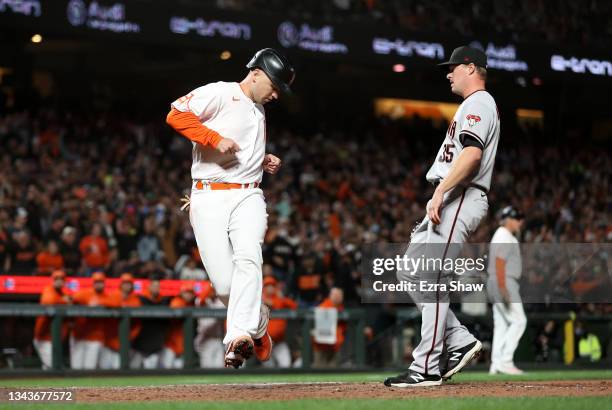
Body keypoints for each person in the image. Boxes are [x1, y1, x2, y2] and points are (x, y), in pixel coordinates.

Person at [166, 48, 295, 368]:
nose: (276, 94)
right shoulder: (221, 92)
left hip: (249, 195)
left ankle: (238, 336)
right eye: (275, 85)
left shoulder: (259, 109)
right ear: (257, 73)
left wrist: (263, 160)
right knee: (224, 284)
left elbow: (239, 150)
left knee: (249, 256)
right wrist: (211, 137)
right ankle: (259, 322)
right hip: (208, 196)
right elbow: (175, 114)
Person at [386, 45, 500, 387]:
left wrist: (440, 191)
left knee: (431, 278)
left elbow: (472, 155)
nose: (448, 73)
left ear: (470, 67)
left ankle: (426, 368)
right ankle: (460, 339)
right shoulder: (471, 104)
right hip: (454, 193)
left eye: (453, 67)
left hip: (460, 194)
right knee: (409, 271)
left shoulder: (480, 101)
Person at [487, 206, 527, 375]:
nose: (520, 222)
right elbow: (500, 262)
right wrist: (503, 287)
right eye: (517, 218)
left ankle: (496, 364)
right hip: (503, 280)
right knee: (519, 321)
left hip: (496, 280)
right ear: (509, 219)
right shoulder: (504, 235)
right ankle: (506, 361)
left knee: (502, 325)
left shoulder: (501, 234)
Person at [70, 271, 114, 369]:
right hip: (79, 335)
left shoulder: (108, 297)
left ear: (104, 283)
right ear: (93, 283)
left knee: (89, 368)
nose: (99, 284)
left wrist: (100, 302)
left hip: (95, 337)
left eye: (101, 282)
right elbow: (70, 300)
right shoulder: (83, 294)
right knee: (76, 368)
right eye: (96, 282)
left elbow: (116, 303)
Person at [101, 273, 142, 369]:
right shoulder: (114, 295)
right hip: (109, 340)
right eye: (124, 283)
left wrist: (131, 336)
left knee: (118, 369)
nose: (126, 285)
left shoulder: (135, 300)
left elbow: (138, 324)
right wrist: (120, 305)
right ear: (121, 284)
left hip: (124, 341)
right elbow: (105, 302)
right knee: (103, 370)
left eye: (129, 283)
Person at [33, 270, 70, 369]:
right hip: (43, 338)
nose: (59, 281)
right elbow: (49, 301)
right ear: (52, 281)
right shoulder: (48, 290)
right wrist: (64, 301)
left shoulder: (64, 293)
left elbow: (72, 300)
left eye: (61, 279)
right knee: (53, 366)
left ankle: (44, 384)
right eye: (56, 279)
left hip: (54, 339)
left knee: (49, 366)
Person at [132, 276, 170, 368]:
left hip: (156, 345)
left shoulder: (163, 301)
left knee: (151, 370)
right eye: (153, 286)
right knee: (132, 368)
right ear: (149, 287)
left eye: (158, 286)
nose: (156, 288)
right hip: (139, 343)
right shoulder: (141, 299)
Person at [261, 276, 298, 368]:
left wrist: (281, 298)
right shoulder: (258, 301)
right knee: (268, 368)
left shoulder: (280, 300)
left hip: (279, 342)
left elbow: (294, 306)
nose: (270, 288)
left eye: (272, 286)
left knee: (286, 364)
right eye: (267, 286)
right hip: (264, 343)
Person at [161, 282, 197, 368]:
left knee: (181, 372)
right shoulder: (177, 301)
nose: (188, 295)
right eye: (186, 292)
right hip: (171, 344)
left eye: (190, 293)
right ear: (181, 293)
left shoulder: (194, 304)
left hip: (184, 346)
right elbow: (175, 311)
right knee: (167, 369)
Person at [312, 287, 346, 368]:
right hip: (322, 346)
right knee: (320, 374)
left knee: (334, 375)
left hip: (335, 346)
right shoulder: (324, 306)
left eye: (340, 295)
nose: (339, 297)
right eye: (336, 295)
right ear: (331, 295)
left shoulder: (341, 308)